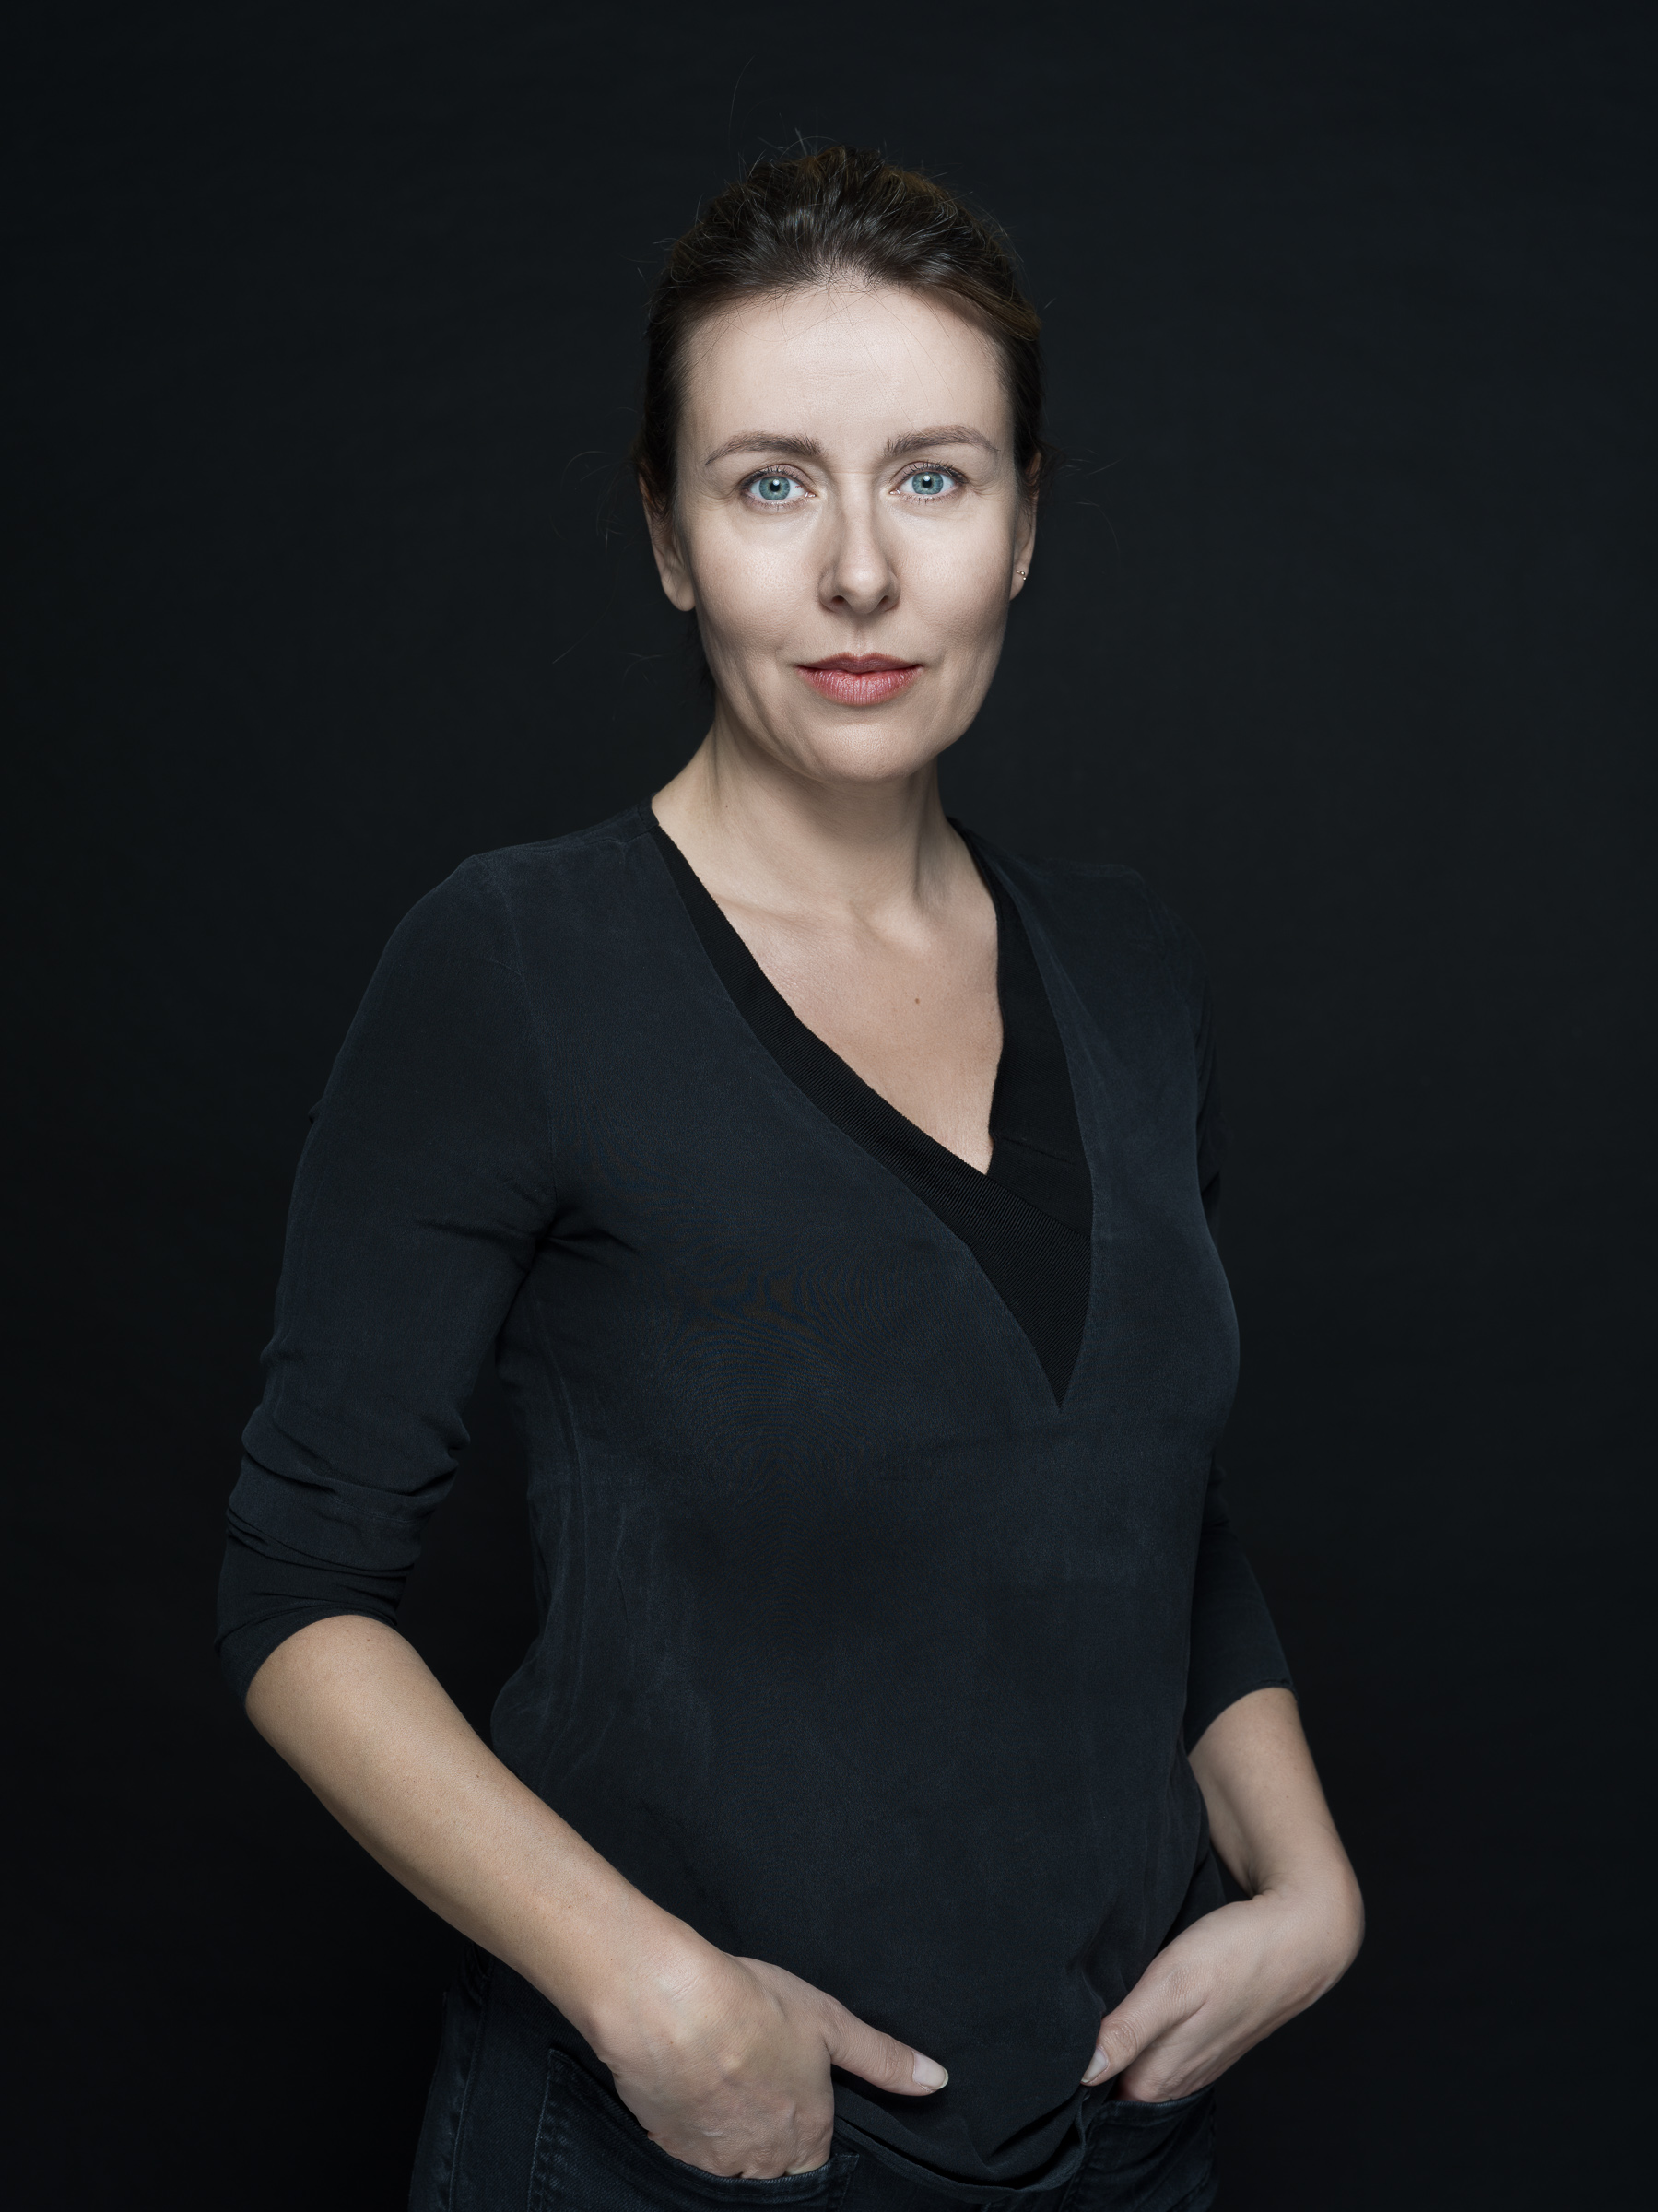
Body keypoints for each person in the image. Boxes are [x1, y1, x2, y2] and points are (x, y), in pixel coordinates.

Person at [218, 146, 1364, 2210]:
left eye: (932, 478)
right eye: (771, 485)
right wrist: (652, 1996)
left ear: (1024, 524)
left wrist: (1309, 1887)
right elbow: (298, 1596)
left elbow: (1144, 1503)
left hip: (1116, 2143)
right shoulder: (514, 966)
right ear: (670, 540)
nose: (858, 574)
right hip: (676, 2143)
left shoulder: (1131, 970)